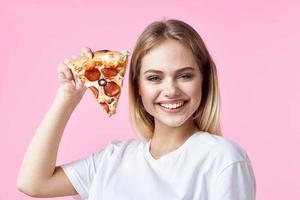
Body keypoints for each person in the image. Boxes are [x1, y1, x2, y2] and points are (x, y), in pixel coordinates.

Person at [17, 19, 256, 200]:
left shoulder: (223, 159)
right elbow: (33, 182)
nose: (171, 90)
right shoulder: (112, 159)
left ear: (203, 80)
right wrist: (67, 97)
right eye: (154, 78)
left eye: (184, 75)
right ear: (137, 87)